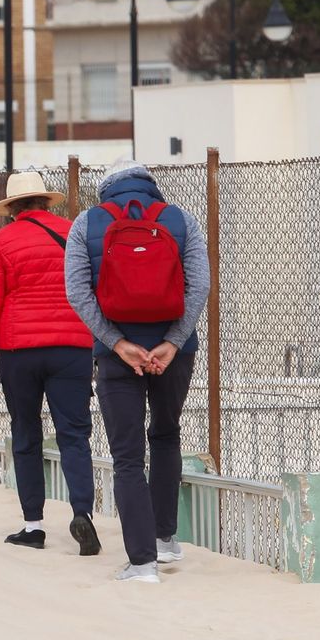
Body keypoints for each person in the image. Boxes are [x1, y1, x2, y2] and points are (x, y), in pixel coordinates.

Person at [64, 159, 209, 584]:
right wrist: (173, 342)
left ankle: (143, 564)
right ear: (150, 184)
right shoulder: (181, 219)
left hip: (117, 356)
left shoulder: (86, 223)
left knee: (127, 457)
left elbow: (77, 291)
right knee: (165, 434)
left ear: (105, 188)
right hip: (174, 352)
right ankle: (164, 540)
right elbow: (199, 285)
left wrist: (117, 343)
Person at [0, 172, 101, 556]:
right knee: (74, 435)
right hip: (71, 349)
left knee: (26, 434)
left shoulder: (1, 242)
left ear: (11, 209)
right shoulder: (73, 233)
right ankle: (83, 514)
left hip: (19, 353)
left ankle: (33, 526)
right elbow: (92, 288)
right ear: (44, 202)